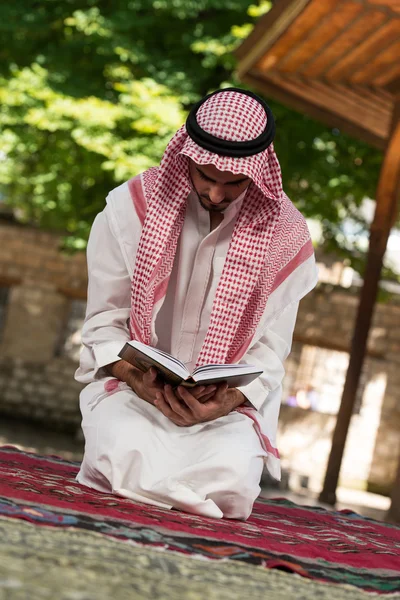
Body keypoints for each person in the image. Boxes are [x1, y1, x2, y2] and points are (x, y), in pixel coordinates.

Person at [75, 87, 318, 520]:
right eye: (205, 175)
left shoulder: (287, 235)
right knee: (126, 452)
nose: (216, 193)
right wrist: (137, 380)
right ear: (185, 155)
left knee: (231, 480)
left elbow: (272, 349)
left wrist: (224, 402)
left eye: (234, 182)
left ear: (258, 172)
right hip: (135, 394)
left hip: (220, 409)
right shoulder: (129, 209)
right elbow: (103, 324)